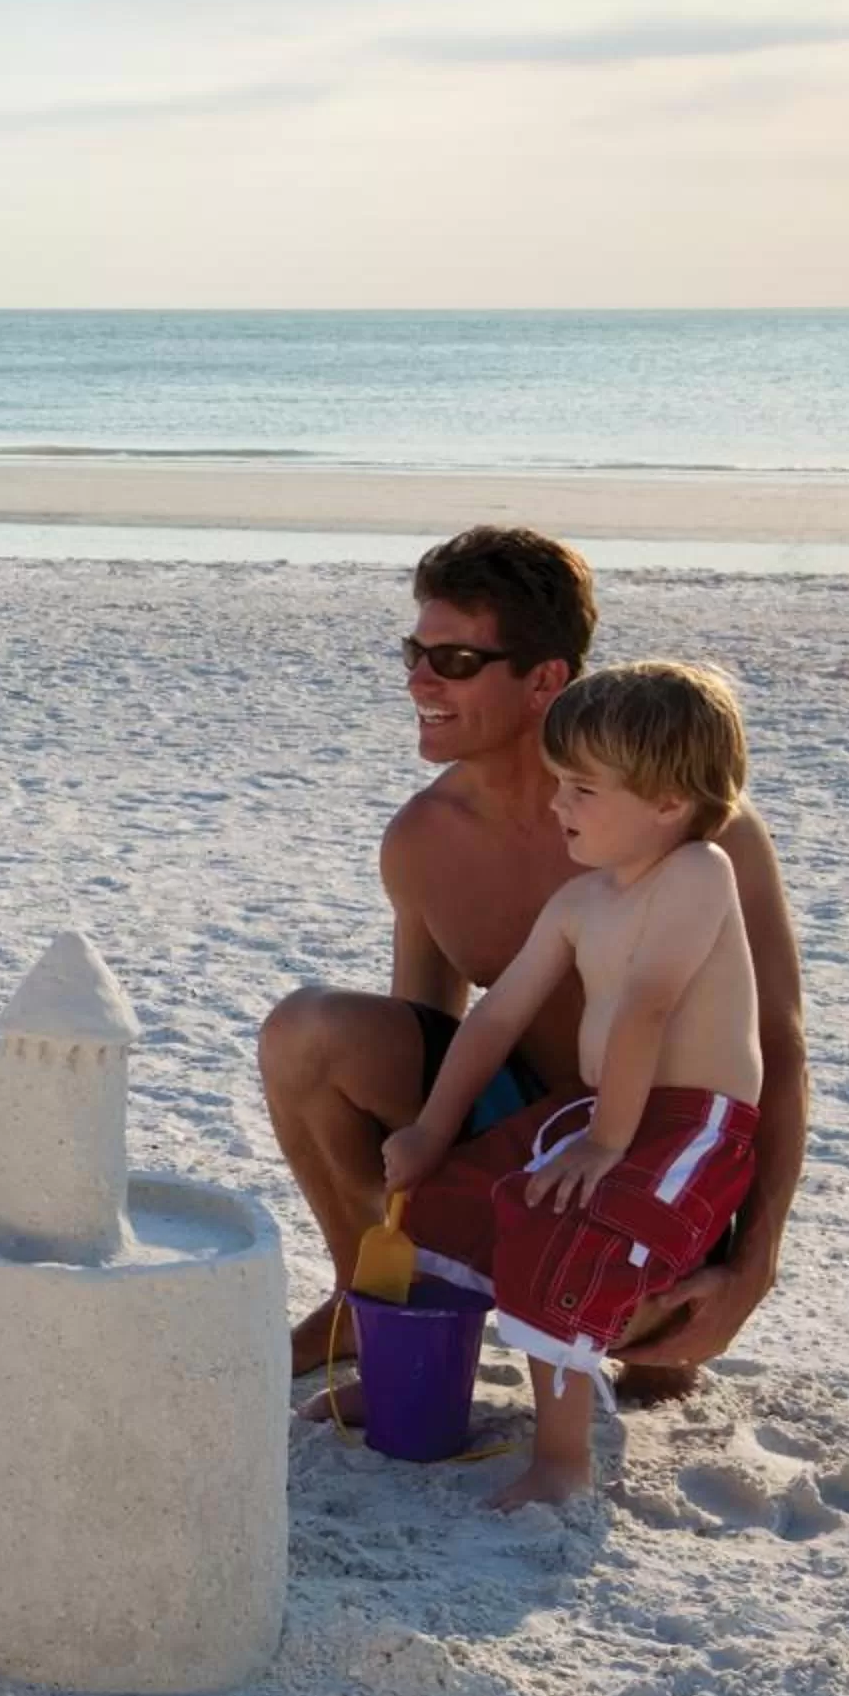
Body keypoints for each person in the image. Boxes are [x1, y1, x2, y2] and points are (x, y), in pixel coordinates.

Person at [258, 527, 805, 1405]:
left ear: (546, 678)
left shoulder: (698, 834)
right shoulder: (423, 840)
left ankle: (623, 1301)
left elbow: (777, 1045)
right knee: (307, 1033)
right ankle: (373, 1295)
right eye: (414, 651)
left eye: (455, 658)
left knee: (643, 1344)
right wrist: (427, 1161)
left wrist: (754, 1264)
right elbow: (430, 1040)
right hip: (531, 1138)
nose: (419, 680)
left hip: (653, 1155)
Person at [382, 664, 761, 1507]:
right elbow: (492, 1020)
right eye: (559, 784)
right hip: (599, 1110)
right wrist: (433, 1131)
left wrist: (608, 1142)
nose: (558, 806)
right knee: (448, 1198)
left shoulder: (698, 873)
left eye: (582, 790)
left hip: (688, 1125)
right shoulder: (580, 901)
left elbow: (648, 1009)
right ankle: (408, 1389)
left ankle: (561, 1460)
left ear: (667, 801)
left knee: (568, 1231)